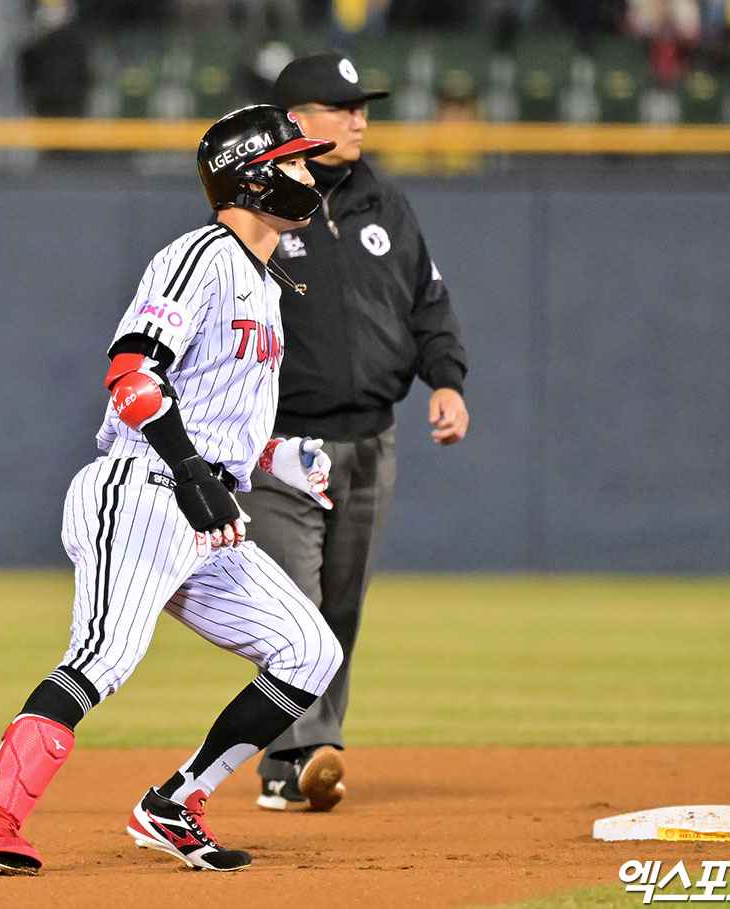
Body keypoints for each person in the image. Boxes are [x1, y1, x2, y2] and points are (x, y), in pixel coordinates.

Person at [0, 104, 345, 876]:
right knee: (104, 654)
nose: (307, 171)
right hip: (143, 485)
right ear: (251, 177)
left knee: (309, 651)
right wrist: (192, 472)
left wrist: (273, 457)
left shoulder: (264, 283)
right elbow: (132, 374)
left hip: (205, 508)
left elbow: (211, 415)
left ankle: (174, 803)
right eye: (292, 160)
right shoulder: (202, 257)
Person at [246, 53, 468, 813]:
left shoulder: (385, 204)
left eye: (362, 107)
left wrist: (447, 380)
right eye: (341, 108)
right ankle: (301, 751)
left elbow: (429, 305)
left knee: (339, 610)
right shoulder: (258, 206)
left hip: (373, 440)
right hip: (283, 445)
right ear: (296, 122)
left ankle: (303, 753)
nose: (358, 120)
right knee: (296, 607)